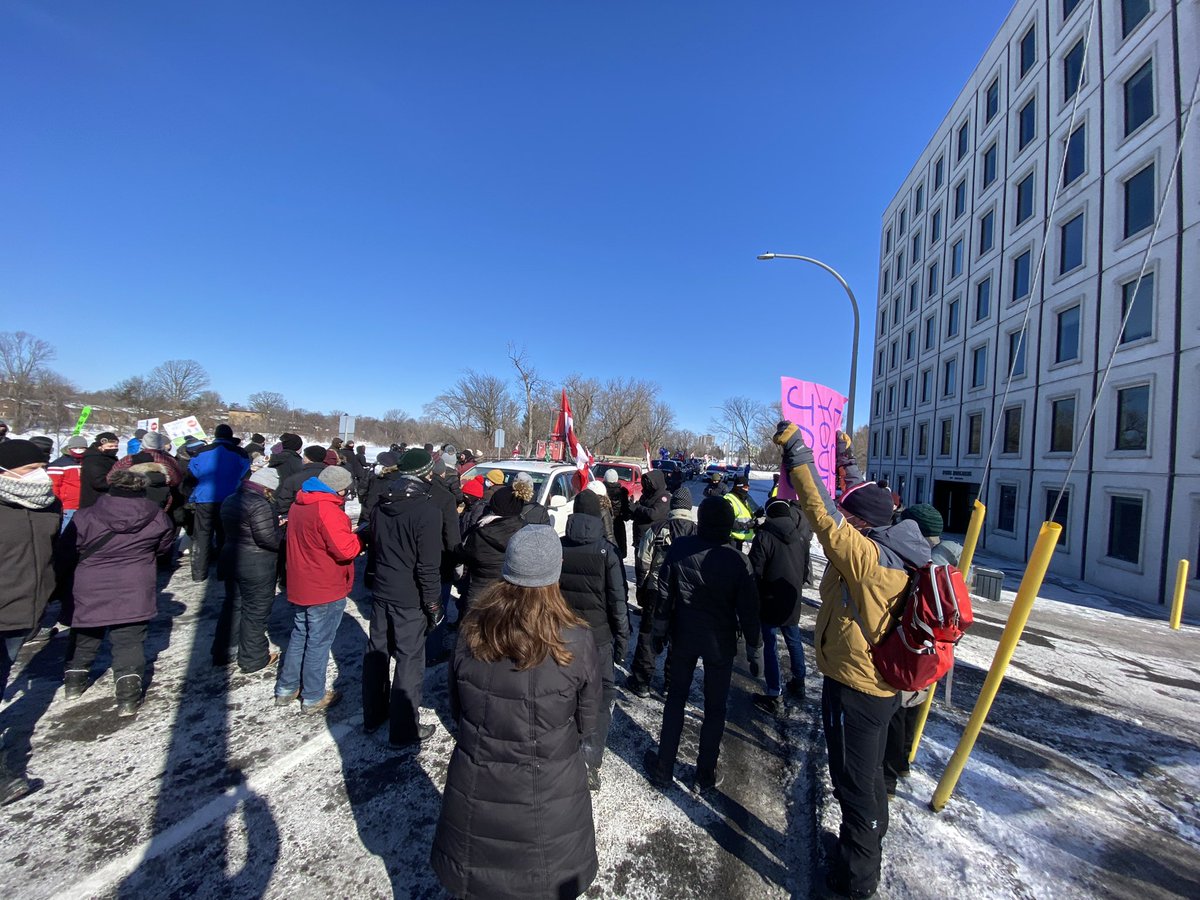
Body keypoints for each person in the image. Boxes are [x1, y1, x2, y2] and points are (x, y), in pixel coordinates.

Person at [773, 423, 931, 899]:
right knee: (866, 779)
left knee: (855, 788)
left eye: (851, 517)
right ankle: (854, 852)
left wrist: (798, 452)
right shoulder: (901, 539)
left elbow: (822, 513)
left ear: (861, 526)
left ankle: (856, 883)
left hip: (859, 689)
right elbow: (861, 499)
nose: (846, 517)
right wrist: (845, 460)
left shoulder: (867, 560)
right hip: (877, 686)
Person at [430, 525, 601, 899]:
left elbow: (457, 707)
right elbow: (588, 721)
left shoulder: (472, 627)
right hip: (552, 785)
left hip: (478, 779)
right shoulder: (575, 638)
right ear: (554, 574)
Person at [644, 496, 760, 792]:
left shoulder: (681, 548)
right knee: (714, 708)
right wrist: (754, 647)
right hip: (719, 643)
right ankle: (704, 774)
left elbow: (664, 593)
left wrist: (659, 632)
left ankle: (664, 767)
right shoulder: (738, 560)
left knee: (676, 701)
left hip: (684, 636)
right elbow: (749, 610)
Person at [60, 470, 173, 717]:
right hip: (135, 581)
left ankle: (74, 684)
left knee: (86, 632)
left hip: (89, 581)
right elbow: (164, 548)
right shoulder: (156, 516)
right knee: (130, 639)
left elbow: (66, 551)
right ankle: (128, 697)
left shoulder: (85, 515)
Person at [363, 448, 444, 748]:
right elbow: (428, 566)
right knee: (410, 659)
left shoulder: (381, 502)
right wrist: (433, 604)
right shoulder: (427, 510)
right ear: (424, 474)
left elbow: (376, 548)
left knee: (377, 651)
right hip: (408, 596)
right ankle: (404, 729)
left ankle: (372, 715)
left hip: (383, 590)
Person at [882, 504, 961, 796]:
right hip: (934, 653)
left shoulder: (918, 563)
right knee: (912, 708)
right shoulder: (948, 564)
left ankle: (888, 777)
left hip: (907, 649)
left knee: (896, 713)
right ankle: (902, 760)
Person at [0, 439, 60, 804]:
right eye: (29, 468)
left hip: (26, 609)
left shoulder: (47, 503)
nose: (40, 473)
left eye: (42, 465)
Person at [559, 490, 629, 790]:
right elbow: (618, 601)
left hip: (563, 633)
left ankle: (563, 751)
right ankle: (588, 759)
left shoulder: (559, 545)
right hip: (597, 637)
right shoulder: (606, 552)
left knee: (566, 693)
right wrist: (622, 638)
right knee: (600, 696)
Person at [275, 465, 360, 713]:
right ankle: (313, 695)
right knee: (319, 641)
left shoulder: (300, 504)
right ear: (340, 488)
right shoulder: (327, 510)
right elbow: (346, 549)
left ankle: (287, 687)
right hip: (324, 583)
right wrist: (358, 538)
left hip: (302, 580)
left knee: (301, 633)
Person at [212, 467, 284, 673]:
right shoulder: (259, 504)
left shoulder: (231, 499)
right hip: (256, 564)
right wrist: (282, 534)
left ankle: (224, 650)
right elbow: (267, 539)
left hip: (231, 557)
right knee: (256, 610)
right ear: (267, 487)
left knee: (233, 606)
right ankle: (253, 657)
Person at [626, 487, 696, 697]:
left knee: (648, 635)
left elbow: (643, 561)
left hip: (656, 590)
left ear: (673, 506)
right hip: (686, 596)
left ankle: (641, 682)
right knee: (680, 640)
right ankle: (671, 685)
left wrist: (641, 586)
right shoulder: (697, 532)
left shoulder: (657, 529)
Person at [747, 498, 812, 714]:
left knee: (771, 645)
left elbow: (754, 571)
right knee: (794, 640)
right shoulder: (801, 538)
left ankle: (775, 693)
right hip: (792, 597)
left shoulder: (764, 537)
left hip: (769, 599)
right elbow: (805, 569)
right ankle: (799, 681)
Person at [185, 424, 250, 582]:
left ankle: (199, 574)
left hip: (204, 498)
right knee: (226, 535)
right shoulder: (240, 453)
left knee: (201, 535)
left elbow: (192, 471)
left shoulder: (201, 452)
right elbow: (246, 474)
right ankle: (224, 572)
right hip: (230, 497)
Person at [459, 484, 526, 613]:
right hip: (511, 597)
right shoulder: (525, 533)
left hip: (479, 594)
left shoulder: (480, 531)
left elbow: (463, 554)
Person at [630, 469, 669, 587]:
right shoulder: (646, 495)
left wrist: (637, 508)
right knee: (639, 568)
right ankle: (640, 591)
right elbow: (639, 511)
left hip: (652, 540)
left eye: (649, 483)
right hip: (640, 537)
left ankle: (648, 596)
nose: (647, 485)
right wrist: (631, 509)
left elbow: (654, 514)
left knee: (648, 571)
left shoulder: (664, 497)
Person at [47, 435, 88, 532]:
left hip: (85, 503)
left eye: (82, 448)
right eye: (75, 448)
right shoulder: (59, 464)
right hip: (68, 505)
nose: (79, 450)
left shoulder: (88, 461)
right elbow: (53, 486)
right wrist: (57, 504)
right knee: (66, 531)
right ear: (69, 448)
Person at [274, 445, 328, 514]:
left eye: (304, 456)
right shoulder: (330, 476)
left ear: (308, 459)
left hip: (300, 515)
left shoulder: (294, 478)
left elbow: (284, 503)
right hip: (326, 514)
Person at [78, 432, 120, 509]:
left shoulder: (108, 458)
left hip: (105, 502)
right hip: (95, 502)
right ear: (100, 447)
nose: (113, 448)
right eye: (110, 446)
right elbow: (99, 482)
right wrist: (120, 482)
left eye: (116, 446)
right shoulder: (93, 460)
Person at [602, 468, 632, 560]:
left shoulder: (602, 491)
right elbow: (626, 514)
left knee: (604, 552)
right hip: (618, 525)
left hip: (603, 525)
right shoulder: (622, 493)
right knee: (618, 553)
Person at [725, 474, 761, 551]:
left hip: (740, 538)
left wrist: (755, 517)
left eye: (748, 488)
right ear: (738, 486)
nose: (747, 490)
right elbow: (729, 522)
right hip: (731, 539)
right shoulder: (729, 499)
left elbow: (744, 517)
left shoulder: (742, 499)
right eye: (745, 487)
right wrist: (747, 525)